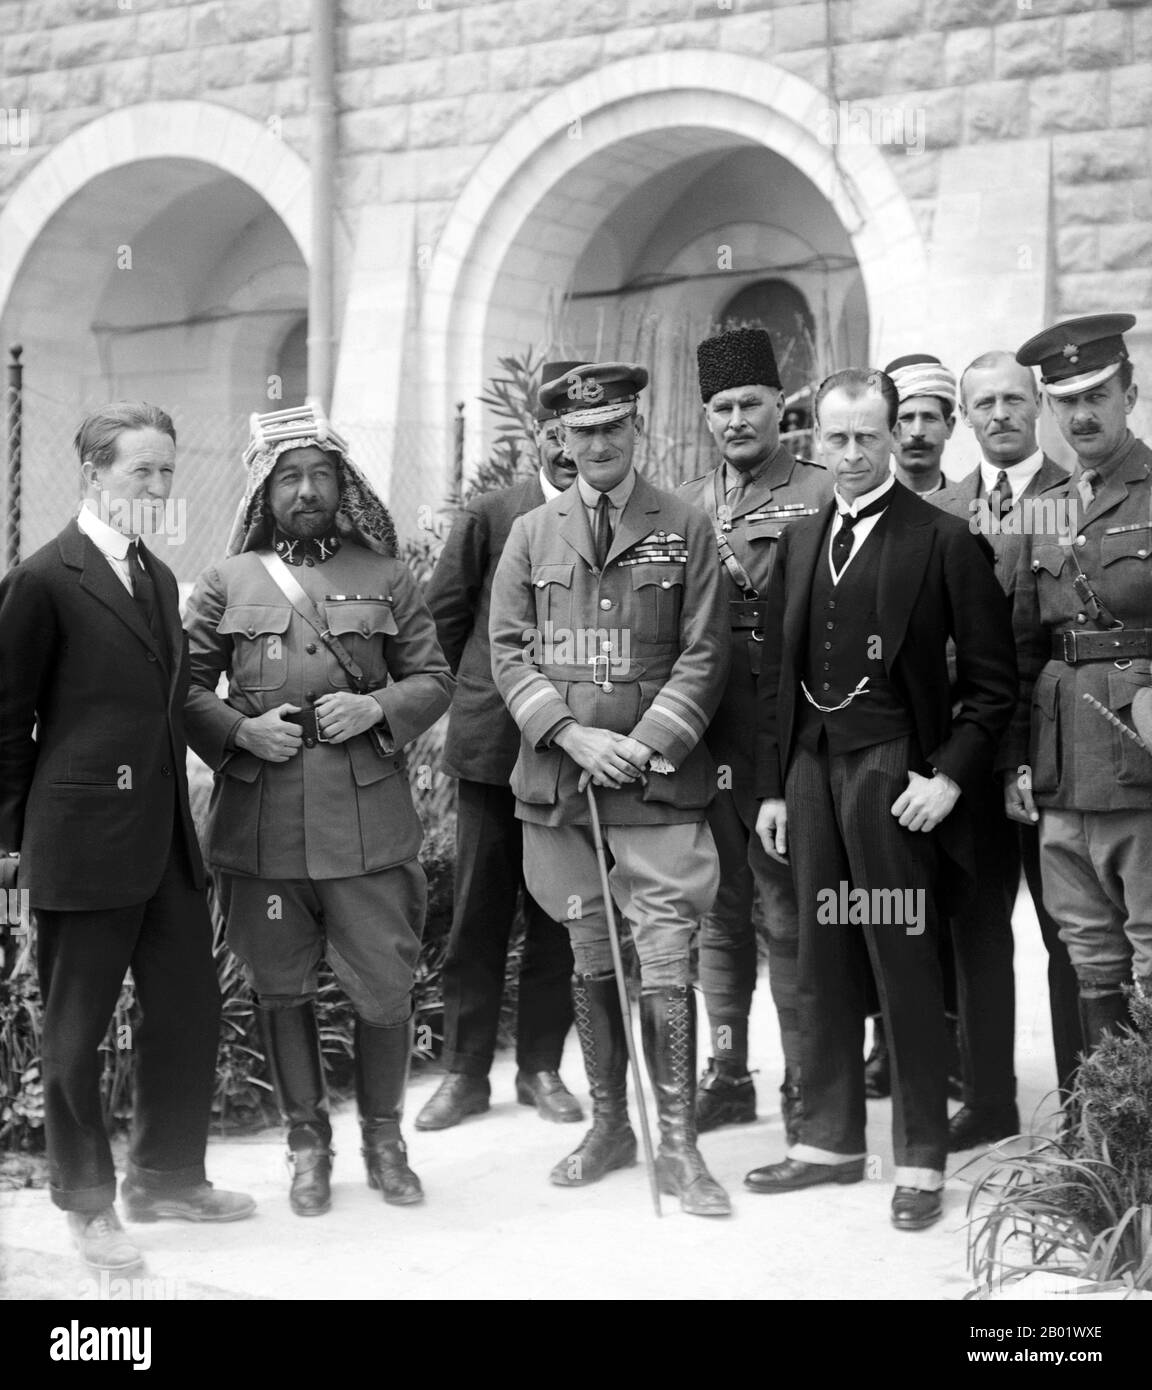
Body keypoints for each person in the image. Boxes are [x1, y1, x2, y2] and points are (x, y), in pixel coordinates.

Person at [747, 369, 1016, 1231]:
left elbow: (991, 686)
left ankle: (921, 1161)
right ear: (814, 442)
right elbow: (774, 680)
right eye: (838, 438)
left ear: (897, 435)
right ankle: (827, 1143)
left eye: (871, 436)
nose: (855, 454)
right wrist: (773, 789)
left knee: (904, 957)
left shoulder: (942, 540)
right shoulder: (796, 542)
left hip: (894, 773)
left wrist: (947, 778)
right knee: (820, 953)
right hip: (810, 773)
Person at [0, 402, 254, 1273]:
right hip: (81, 840)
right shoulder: (43, 579)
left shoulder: (156, 574)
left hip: (164, 840)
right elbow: (6, 722)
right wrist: (7, 846)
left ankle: (168, 1175)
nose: (155, 486)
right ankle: (86, 1205)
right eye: (139, 470)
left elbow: (171, 702)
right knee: (76, 1029)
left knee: (189, 1005)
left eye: (165, 471)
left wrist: (235, 740)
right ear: (94, 473)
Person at [184, 403, 453, 1216]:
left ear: (344, 486)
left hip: (368, 828)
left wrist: (379, 711)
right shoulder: (228, 581)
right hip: (262, 827)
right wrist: (239, 730)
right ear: (265, 494)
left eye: (321, 476)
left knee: (384, 990)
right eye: (289, 479)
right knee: (279, 987)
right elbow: (186, 691)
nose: (305, 491)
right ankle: (308, 1145)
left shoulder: (386, 575)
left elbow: (435, 677)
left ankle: (384, 1140)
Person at [489, 362, 733, 1217]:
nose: (598, 444)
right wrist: (571, 734)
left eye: (613, 429)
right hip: (561, 782)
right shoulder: (530, 533)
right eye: (582, 432)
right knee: (589, 947)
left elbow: (706, 653)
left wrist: (640, 743)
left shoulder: (685, 524)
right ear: (560, 438)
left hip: (656, 783)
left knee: (667, 952)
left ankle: (678, 1142)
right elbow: (509, 651)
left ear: (638, 430)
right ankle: (607, 1126)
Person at [416, 362, 589, 1131]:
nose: (564, 448)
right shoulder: (492, 515)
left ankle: (543, 1068)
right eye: (551, 433)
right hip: (492, 751)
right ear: (536, 435)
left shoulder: (614, 518)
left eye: (577, 433)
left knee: (559, 911)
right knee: (478, 913)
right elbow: (438, 628)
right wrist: (454, 709)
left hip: (574, 753)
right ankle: (463, 1072)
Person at [678, 328, 831, 1138]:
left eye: (750, 404)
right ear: (707, 416)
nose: (736, 420)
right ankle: (729, 1073)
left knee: (789, 914)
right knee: (718, 910)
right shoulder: (682, 502)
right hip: (707, 732)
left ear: (781, 406)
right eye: (722, 408)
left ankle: (806, 1083)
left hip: (787, 729)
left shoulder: (821, 489)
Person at [931, 350, 1081, 1147]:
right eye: (983, 402)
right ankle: (987, 1100)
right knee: (976, 930)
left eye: (1014, 400)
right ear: (965, 416)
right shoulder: (942, 508)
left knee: (1069, 934)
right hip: (966, 760)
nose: (1000, 415)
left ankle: (1087, 1110)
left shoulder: (1075, 497)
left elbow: (1059, 646)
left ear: (1039, 408)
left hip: (1053, 756)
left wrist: (1024, 754)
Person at [1008, 314, 1152, 1049]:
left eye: (1097, 393)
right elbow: (1020, 646)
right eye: (1065, 400)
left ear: (1130, 391)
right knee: (1090, 955)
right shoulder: (1045, 505)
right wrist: (1019, 763)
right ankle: (1107, 1143)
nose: (1082, 413)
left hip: (1142, 765)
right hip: (1062, 772)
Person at [885, 354, 956, 497]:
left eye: (930, 418)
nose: (917, 432)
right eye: (906, 418)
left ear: (949, 426)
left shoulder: (970, 506)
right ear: (888, 430)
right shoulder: (867, 506)